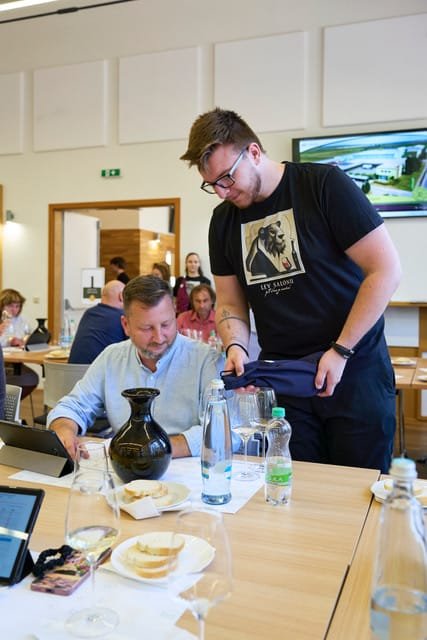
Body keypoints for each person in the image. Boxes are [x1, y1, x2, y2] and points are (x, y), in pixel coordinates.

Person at [180, 107, 402, 473]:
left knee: (358, 488)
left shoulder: (323, 185)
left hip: (354, 370)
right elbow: (231, 302)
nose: (221, 192)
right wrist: (236, 347)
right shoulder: (223, 222)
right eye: (212, 184)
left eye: (227, 178)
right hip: (286, 381)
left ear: (253, 152)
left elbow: (385, 270)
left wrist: (340, 350)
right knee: (296, 488)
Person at [47, 275, 220, 460]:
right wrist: (64, 429)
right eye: (147, 328)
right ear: (126, 325)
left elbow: (223, 428)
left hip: (189, 467)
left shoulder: (204, 360)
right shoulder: (112, 357)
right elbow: (74, 406)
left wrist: (159, 448)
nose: (159, 337)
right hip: (126, 468)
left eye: (166, 324)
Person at [68, 280, 127, 364]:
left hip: (73, 371)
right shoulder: (122, 317)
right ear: (121, 296)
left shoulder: (88, 313)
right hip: (100, 371)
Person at [0, 288, 39, 400]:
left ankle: (10, 404)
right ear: (2, 305)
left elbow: (29, 335)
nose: (14, 310)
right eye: (10, 306)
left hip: (15, 362)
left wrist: (24, 340)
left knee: (32, 378)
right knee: (29, 379)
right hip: (4, 362)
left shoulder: (22, 320)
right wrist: (9, 341)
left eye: (17, 306)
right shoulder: (3, 320)